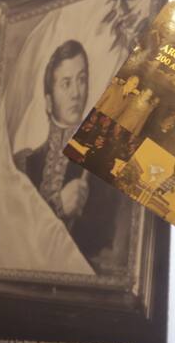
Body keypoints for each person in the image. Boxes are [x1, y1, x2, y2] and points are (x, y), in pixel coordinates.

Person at [14, 39, 115, 263]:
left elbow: (110, 247)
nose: (76, 93)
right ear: (48, 102)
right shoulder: (23, 164)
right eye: (66, 83)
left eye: (81, 80)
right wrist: (58, 206)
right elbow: (14, 238)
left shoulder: (103, 160)